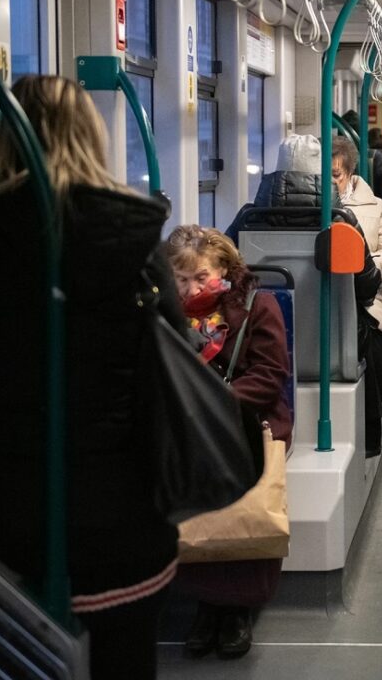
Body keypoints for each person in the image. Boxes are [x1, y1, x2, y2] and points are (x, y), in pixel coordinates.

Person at [0, 75, 180, 678]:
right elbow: (171, 376)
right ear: (93, 135)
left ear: (5, 139)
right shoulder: (136, 242)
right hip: (125, 525)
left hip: (2, 526)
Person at [167, 225, 291, 660]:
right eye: (180, 280)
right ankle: (206, 606)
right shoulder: (164, 315)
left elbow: (269, 375)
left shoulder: (259, 306)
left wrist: (209, 404)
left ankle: (237, 609)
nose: (190, 289)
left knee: (239, 483)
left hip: (250, 418)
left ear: (224, 269)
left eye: (200, 277)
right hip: (188, 421)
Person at [226, 134, 382, 449]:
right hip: (333, 350)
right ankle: (370, 439)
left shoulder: (247, 219)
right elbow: (367, 286)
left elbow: (229, 275)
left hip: (262, 345)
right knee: (372, 330)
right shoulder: (342, 223)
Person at [332, 136, 382, 457]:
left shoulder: (377, 208)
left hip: (368, 296)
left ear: (350, 172)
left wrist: (362, 265)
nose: (332, 182)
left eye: (336, 175)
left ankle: (372, 426)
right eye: (326, 176)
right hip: (328, 293)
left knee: (366, 336)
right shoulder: (311, 208)